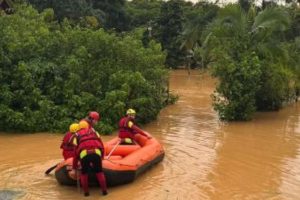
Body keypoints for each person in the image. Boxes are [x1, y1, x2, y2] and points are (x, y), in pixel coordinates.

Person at [72, 120, 107, 197]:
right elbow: (101, 145)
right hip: (96, 153)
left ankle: (86, 194)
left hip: (84, 155)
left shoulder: (76, 135)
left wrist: (74, 167)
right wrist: (102, 157)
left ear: (79, 127)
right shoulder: (95, 132)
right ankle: (104, 192)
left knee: (84, 174)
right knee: (99, 172)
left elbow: (75, 153)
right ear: (87, 126)